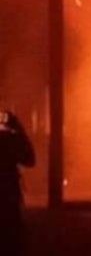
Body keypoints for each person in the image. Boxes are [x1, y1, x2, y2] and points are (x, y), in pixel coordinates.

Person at [0, 107, 35, 256]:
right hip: (9, 200)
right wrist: (19, 130)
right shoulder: (9, 140)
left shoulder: (8, 140)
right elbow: (30, 159)